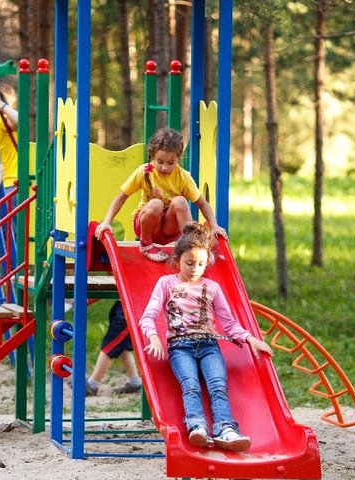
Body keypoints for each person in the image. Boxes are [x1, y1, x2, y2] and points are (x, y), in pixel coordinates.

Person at [138, 222, 273, 451]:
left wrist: (250, 339)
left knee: (218, 385)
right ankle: (197, 426)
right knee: (190, 385)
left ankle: (225, 429)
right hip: (180, 347)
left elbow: (229, 323)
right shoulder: (167, 284)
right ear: (177, 261)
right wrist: (153, 337)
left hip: (209, 345)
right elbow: (147, 316)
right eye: (189, 263)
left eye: (200, 264)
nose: (195, 268)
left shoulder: (212, 288)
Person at [94, 128, 227, 262]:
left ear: (178, 158)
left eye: (171, 163)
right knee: (156, 204)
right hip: (147, 226)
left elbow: (202, 204)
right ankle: (146, 245)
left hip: (169, 230)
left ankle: (190, 246)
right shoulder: (144, 172)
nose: (165, 167)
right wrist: (107, 222)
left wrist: (214, 226)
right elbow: (121, 197)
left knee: (180, 201)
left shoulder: (183, 177)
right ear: (153, 156)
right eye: (160, 161)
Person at [84, 301, 143, 396]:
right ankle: (135, 382)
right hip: (123, 304)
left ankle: (92, 385)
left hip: (131, 308)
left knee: (110, 345)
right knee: (121, 346)